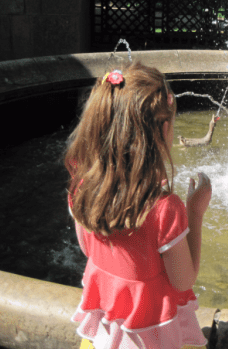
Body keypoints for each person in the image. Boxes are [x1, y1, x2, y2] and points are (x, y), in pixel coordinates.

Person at [65, 62, 211, 349]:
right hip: (151, 339)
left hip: (103, 338)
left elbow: (87, 249)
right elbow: (183, 281)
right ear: (165, 129)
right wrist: (195, 212)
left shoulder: (81, 189)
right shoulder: (164, 210)